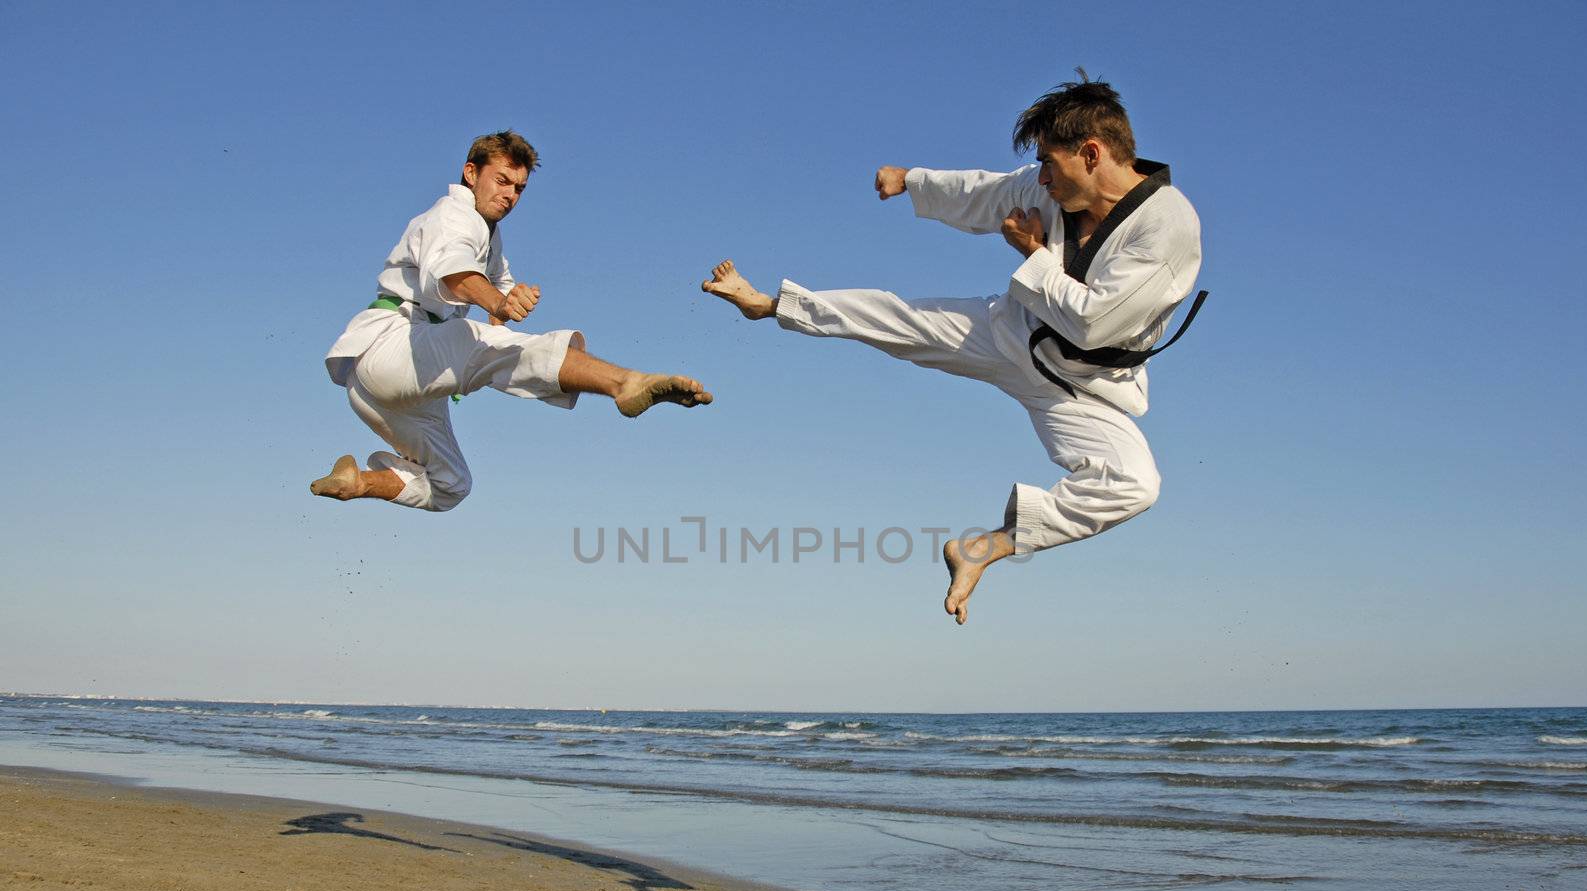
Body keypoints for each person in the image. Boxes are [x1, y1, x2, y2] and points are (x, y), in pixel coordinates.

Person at [702, 74, 1202, 624]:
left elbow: (1094, 322)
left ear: (1091, 153)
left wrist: (1032, 254)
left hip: (1085, 387)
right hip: (1014, 329)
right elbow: (986, 192)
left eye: (1048, 164)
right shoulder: (1049, 188)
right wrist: (912, 181)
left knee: (1134, 484)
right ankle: (769, 304)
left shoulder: (1167, 227)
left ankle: (984, 548)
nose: (1040, 178)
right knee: (904, 321)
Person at [312, 130, 712, 512]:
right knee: (485, 343)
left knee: (450, 484)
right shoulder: (454, 214)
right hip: (396, 343)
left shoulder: (489, 236)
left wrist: (503, 310)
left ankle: (357, 482)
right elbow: (455, 274)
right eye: (501, 181)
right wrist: (500, 306)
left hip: (385, 390)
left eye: (518, 188)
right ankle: (625, 383)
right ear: (471, 173)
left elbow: (496, 294)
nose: (509, 195)